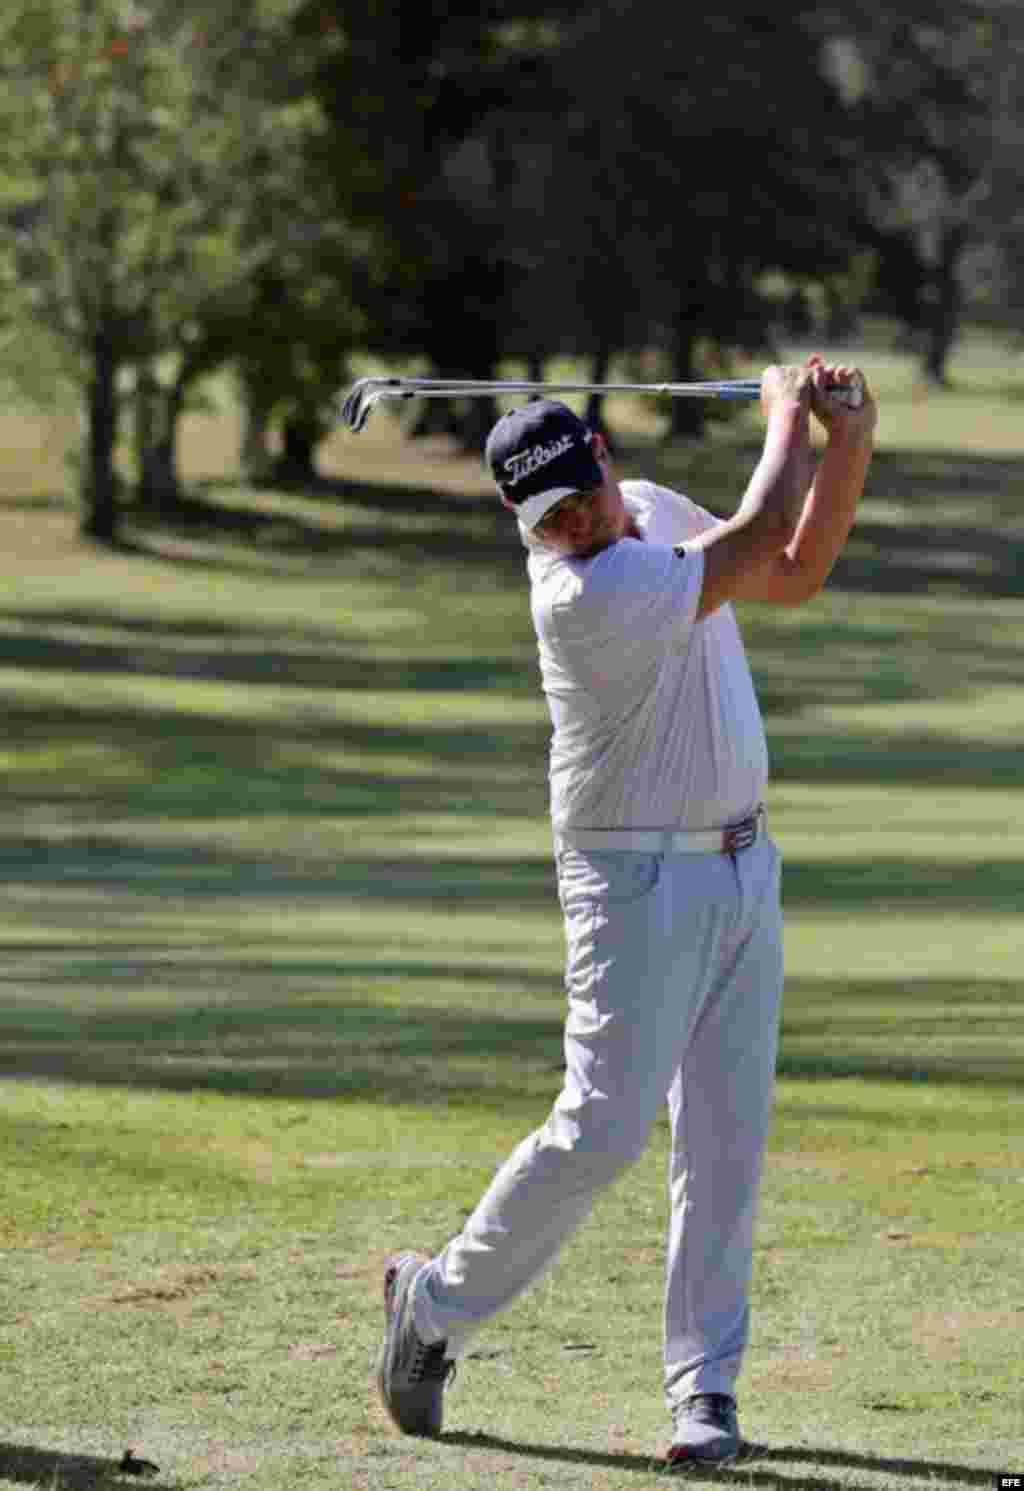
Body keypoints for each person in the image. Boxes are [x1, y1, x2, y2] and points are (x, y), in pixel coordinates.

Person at [375, 358, 877, 1468]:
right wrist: (790, 415)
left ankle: (705, 1391)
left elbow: (789, 576)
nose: (575, 528)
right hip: (631, 882)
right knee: (600, 1129)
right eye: (547, 522)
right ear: (524, 524)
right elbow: (751, 538)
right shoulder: (582, 595)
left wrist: (848, 443)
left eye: (581, 500)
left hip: (744, 866)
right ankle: (434, 1306)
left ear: (602, 459)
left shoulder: (647, 513)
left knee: (727, 1140)